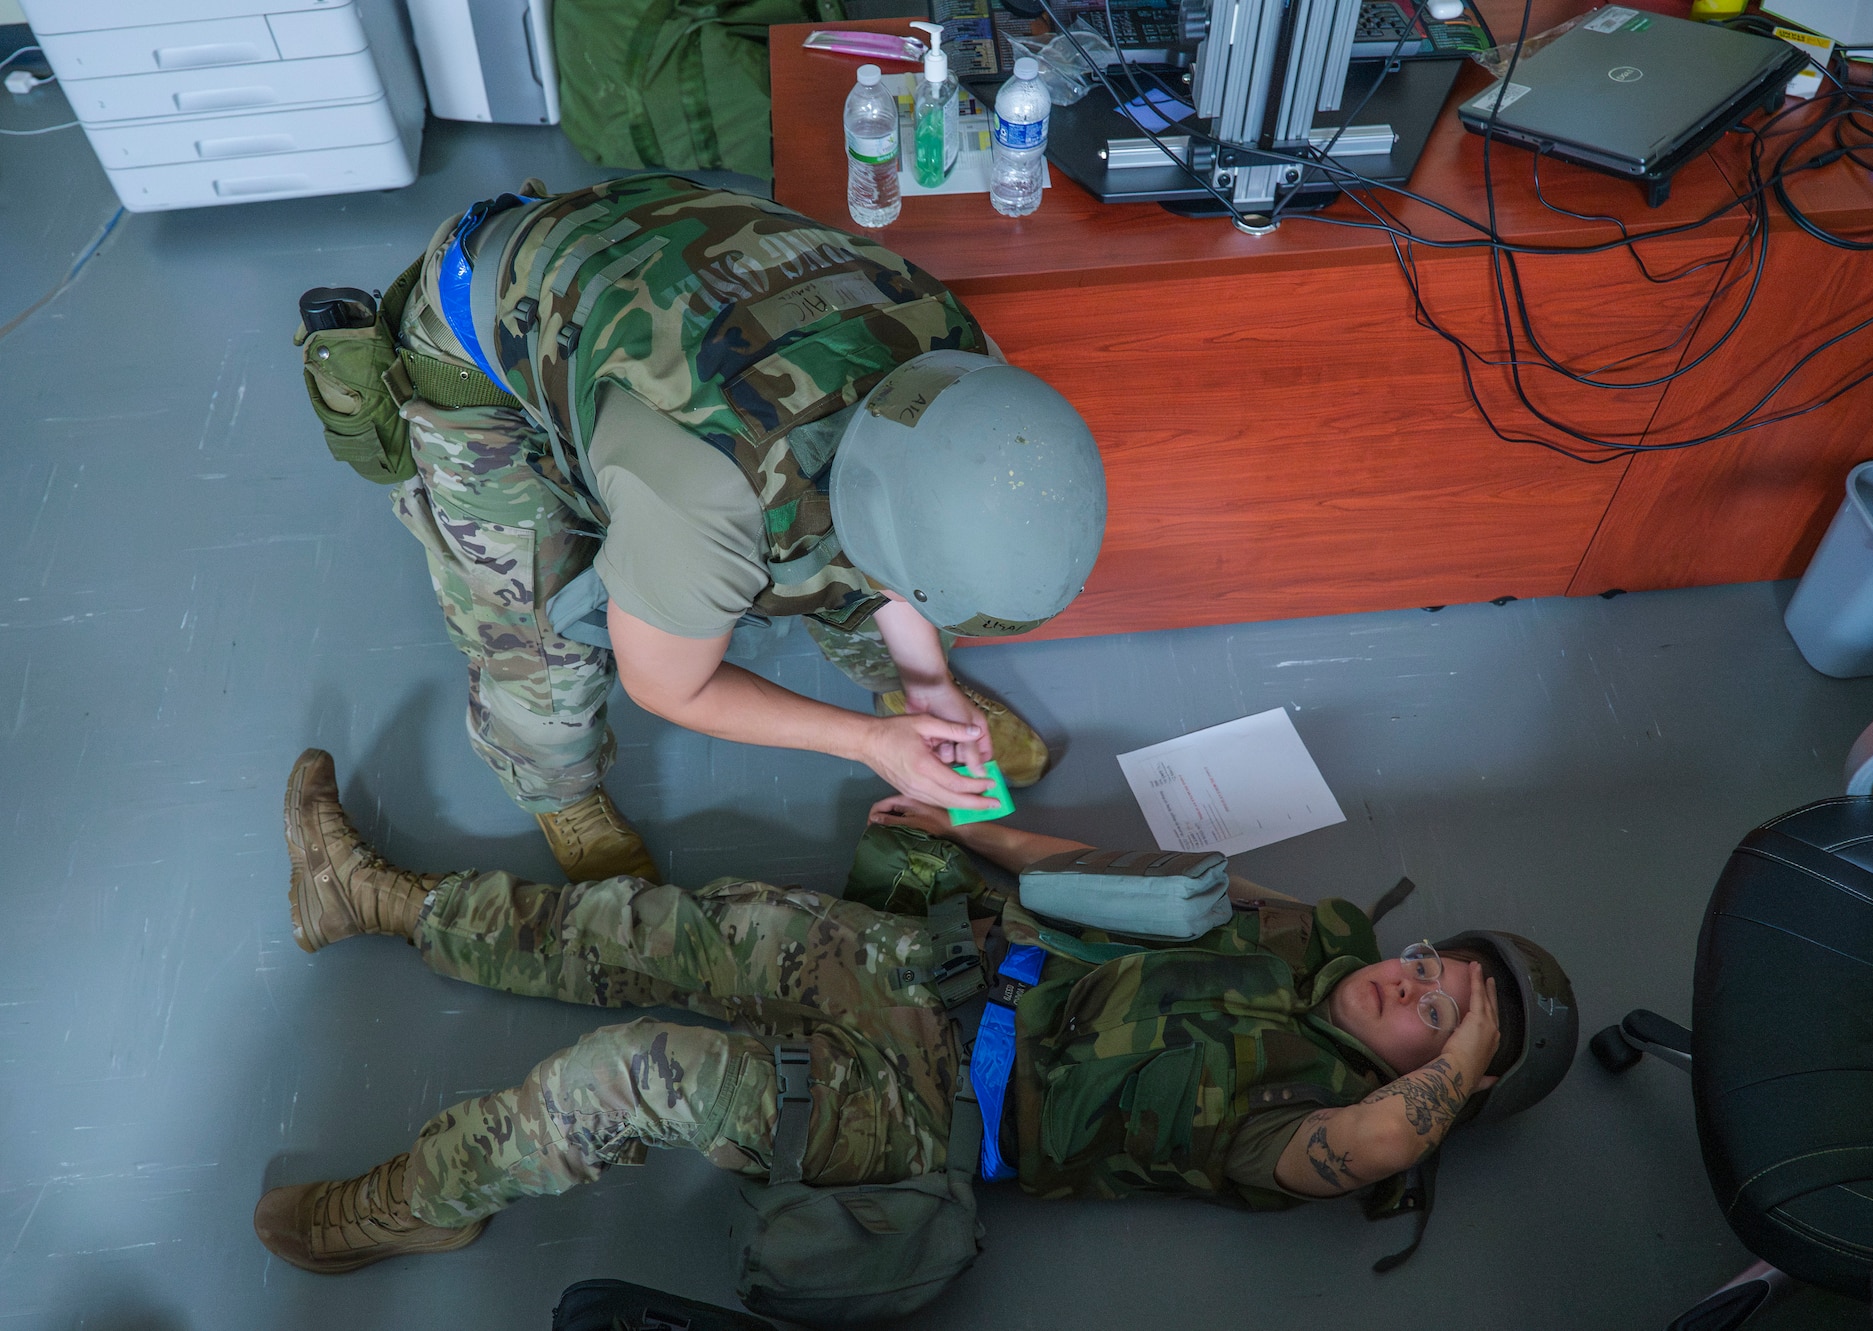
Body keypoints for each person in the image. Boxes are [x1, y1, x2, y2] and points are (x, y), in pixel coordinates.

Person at [253, 749, 1576, 1273]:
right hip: (931, 965)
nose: (1415, 983)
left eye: (1438, 1017)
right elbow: (1134, 884)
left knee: (630, 1070)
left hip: (919, 1112)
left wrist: (1464, 1062)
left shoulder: (1313, 1133)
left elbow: (1382, 1148)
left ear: (1439, 1073)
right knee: (653, 926)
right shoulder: (1317, 932)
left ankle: (412, 1204)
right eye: (1438, 966)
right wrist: (978, 830)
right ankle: (376, 900)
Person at [304, 173, 1108, 885]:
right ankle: (561, 790)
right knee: (533, 631)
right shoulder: (710, 499)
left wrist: (926, 679)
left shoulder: (969, 372)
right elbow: (668, 684)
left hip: (664, 257)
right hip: (486, 333)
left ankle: (917, 697)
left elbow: (898, 555)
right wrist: (867, 743)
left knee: (853, 566)